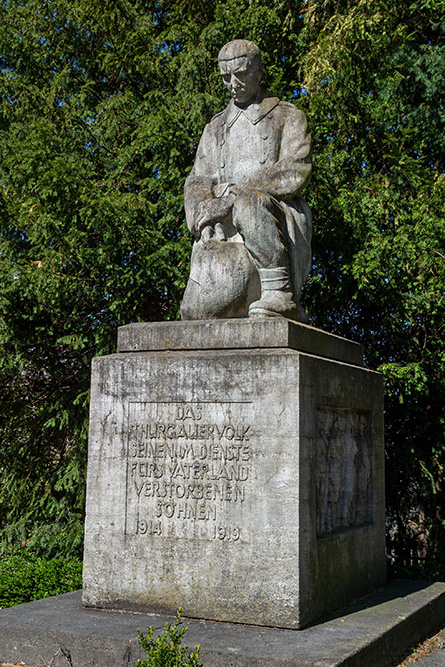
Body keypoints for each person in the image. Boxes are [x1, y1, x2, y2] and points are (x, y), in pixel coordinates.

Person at [183, 39, 312, 319]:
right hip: (224, 226)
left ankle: (279, 292)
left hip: (272, 214)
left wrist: (235, 197)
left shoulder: (286, 116)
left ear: (259, 72)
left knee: (247, 203)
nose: (233, 83)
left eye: (241, 74)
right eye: (226, 77)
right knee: (194, 311)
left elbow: (296, 168)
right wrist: (203, 213)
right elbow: (197, 180)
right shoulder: (215, 127)